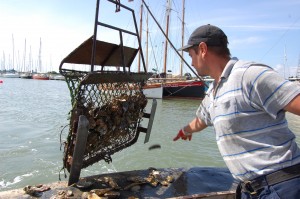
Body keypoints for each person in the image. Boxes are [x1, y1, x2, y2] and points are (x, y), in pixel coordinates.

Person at [173, 24, 300, 198]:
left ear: (202, 49)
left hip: (282, 186)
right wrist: (185, 130)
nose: (192, 63)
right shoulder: (213, 91)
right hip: (250, 190)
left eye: (191, 56)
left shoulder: (250, 75)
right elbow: (202, 120)